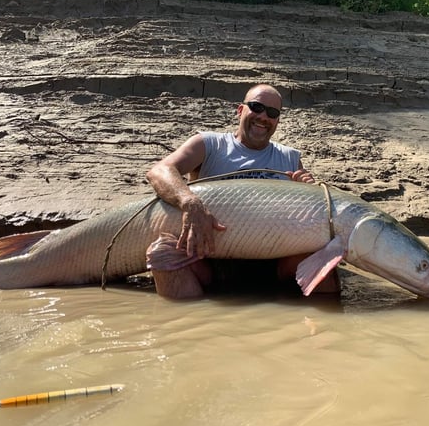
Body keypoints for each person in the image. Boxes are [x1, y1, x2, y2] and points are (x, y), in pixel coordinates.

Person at [145, 84, 339, 299]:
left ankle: (325, 326)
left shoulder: (290, 158)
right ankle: (188, 324)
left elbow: (308, 220)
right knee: (162, 254)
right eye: (256, 107)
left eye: (272, 113)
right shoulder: (209, 144)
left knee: (325, 263)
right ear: (240, 110)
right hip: (210, 259)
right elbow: (160, 171)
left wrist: (307, 190)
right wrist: (189, 202)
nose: (263, 116)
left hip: (272, 264)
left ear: (277, 121)